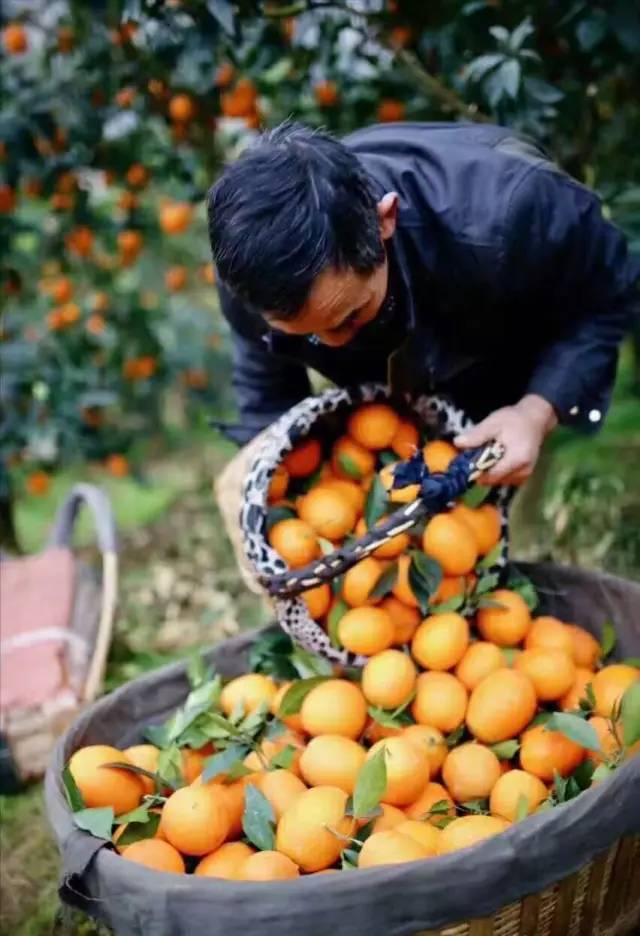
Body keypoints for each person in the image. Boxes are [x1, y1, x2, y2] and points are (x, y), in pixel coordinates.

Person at [206, 121, 637, 584]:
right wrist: (268, 481)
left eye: (349, 316)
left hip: (500, 345)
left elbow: (609, 294)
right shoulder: (252, 278)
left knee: (487, 546)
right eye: (307, 335)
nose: (334, 344)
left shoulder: (509, 213)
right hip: (386, 416)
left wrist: (536, 410)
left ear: (384, 219)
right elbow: (267, 391)